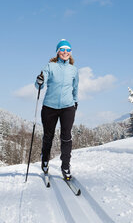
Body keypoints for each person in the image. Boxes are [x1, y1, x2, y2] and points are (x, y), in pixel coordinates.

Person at [35, 39, 79, 180]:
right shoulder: (50, 66)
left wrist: (75, 101)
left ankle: (65, 166)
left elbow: (75, 87)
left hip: (68, 106)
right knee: (48, 135)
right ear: (58, 52)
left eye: (67, 50)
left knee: (66, 137)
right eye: (62, 49)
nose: (65, 52)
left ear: (70, 53)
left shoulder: (74, 70)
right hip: (49, 107)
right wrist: (39, 80)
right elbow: (40, 84)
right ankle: (45, 159)